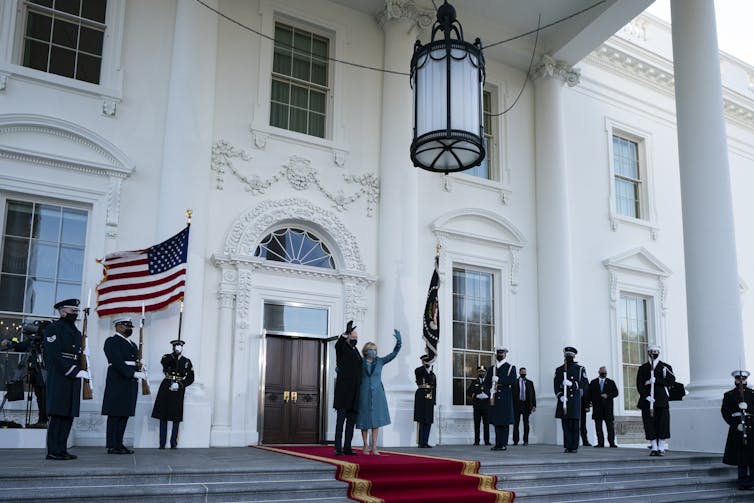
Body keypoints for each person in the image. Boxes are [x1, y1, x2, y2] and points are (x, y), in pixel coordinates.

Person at [42, 299, 88, 460]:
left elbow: (76, 354)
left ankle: (62, 448)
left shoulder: (76, 332)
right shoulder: (53, 329)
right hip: (60, 375)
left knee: (68, 413)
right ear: (62, 311)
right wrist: (74, 371)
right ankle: (53, 450)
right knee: (58, 414)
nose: (74, 314)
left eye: (76, 311)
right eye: (72, 311)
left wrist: (83, 361)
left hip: (73, 375)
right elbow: (54, 356)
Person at [355, 329, 402, 455]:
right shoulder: (360, 361)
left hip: (377, 394)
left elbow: (393, 354)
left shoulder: (380, 361)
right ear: (366, 351)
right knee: (364, 420)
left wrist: (399, 343)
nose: (374, 351)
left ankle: (374, 447)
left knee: (376, 420)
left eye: (375, 349)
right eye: (371, 349)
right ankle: (365, 445)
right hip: (363, 392)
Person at [102, 317, 144, 454]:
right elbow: (116, 361)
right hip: (118, 380)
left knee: (124, 414)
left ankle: (119, 443)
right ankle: (112, 444)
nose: (129, 329)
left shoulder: (133, 344)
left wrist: (140, 369)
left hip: (129, 382)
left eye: (131, 327)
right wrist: (132, 373)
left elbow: (135, 361)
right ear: (118, 326)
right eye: (127, 326)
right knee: (115, 414)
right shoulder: (112, 341)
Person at [2, 321, 49, 427]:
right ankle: (41, 420)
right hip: (36, 373)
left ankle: (44, 420)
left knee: (44, 397)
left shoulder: (47, 341)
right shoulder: (33, 341)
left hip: (45, 373)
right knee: (39, 396)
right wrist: (9, 342)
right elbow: (21, 346)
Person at [151, 338, 194, 449]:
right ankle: (162, 443)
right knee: (163, 414)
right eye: (176, 346)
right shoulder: (167, 357)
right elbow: (165, 364)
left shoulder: (187, 361)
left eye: (180, 346)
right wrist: (174, 354)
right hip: (167, 385)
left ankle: (173, 443)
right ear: (173, 347)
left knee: (176, 416)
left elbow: (191, 377)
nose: (178, 348)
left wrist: (181, 384)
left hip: (178, 388)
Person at [636, 345, 676, 456]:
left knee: (662, 423)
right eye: (651, 351)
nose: (653, 353)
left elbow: (671, 381)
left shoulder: (665, 367)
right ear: (648, 353)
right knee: (649, 424)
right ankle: (653, 446)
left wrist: (657, 380)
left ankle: (661, 446)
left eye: (656, 351)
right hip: (648, 400)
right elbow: (639, 385)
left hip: (661, 400)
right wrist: (646, 396)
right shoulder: (643, 368)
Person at [332, 320, 361, 456]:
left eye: (356, 338)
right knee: (340, 422)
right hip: (343, 392)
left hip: (355, 393)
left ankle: (347, 447)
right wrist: (345, 333)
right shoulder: (342, 349)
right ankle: (338, 447)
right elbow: (337, 345)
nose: (354, 339)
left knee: (351, 423)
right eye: (352, 337)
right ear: (348, 337)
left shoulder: (356, 352)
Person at [722, 370, 754, 490]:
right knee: (741, 456)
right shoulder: (729, 394)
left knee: (752, 455)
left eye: (743, 379)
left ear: (746, 380)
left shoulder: (752, 393)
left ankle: (752, 481)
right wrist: (735, 425)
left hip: (752, 426)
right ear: (735, 380)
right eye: (739, 379)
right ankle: (743, 481)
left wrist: (748, 407)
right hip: (738, 427)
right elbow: (725, 412)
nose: (741, 381)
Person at [554, 346, 588, 453]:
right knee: (565, 424)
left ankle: (574, 446)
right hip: (564, 400)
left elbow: (585, 383)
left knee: (574, 424)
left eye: (570, 355)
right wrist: (560, 396)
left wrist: (573, 384)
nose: (568, 357)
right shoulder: (559, 369)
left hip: (574, 401)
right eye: (567, 355)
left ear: (574, 356)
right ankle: (568, 445)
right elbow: (556, 385)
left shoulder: (580, 369)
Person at [483, 347, 516, 451]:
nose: (500, 355)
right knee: (497, 422)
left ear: (505, 354)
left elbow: (513, 381)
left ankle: (503, 444)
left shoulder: (511, 367)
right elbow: (486, 383)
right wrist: (490, 392)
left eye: (502, 353)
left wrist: (499, 380)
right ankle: (498, 443)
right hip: (495, 398)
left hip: (505, 398)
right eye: (498, 353)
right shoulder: (492, 369)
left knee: (504, 422)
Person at [588, 366, 619, 448]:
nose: (604, 374)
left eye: (605, 372)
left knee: (610, 426)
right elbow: (589, 394)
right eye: (602, 372)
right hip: (597, 408)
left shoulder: (611, 382)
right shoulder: (593, 382)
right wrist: (589, 402)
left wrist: (608, 395)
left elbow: (616, 392)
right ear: (599, 372)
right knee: (598, 426)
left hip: (608, 408)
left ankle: (612, 443)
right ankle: (600, 443)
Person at [414, 354, 436, 448]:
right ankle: (421, 442)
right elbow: (418, 373)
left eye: (429, 361)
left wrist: (434, 400)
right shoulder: (419, 370)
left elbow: (434, 387)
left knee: (428, 420)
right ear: (423, 361)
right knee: (422, 419)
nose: (428, 363)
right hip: (421, 396)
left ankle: (426, 441)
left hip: (429, 397)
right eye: (426, 361)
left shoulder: (432, 374)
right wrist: (425, 367)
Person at [466, 366, 491, 446]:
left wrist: (488, 395)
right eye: (480, 372)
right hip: (477, 406)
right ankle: (477, 441)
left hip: (486, 406)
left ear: (485, 373)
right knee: (477, 424)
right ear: (478, 372)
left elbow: (493, 392)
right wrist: (476, 395)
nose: (481, 373)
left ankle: (487, 441)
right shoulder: (474, 382)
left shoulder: (488, 382)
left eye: (483, 372)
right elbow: (468, 392)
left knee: (486, 424)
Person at [512, 367, 536, 446]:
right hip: (517, 405)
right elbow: (512, 394)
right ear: (519, 372)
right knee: (516, 424)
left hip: (526, 405)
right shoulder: (514, 382)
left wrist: (534, 405)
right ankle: (515, 441)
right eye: (522, 372)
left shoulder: (530, 382)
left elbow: (533, 395)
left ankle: (526, 441)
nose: (523, 373)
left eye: (525, 372)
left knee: (526, 424)